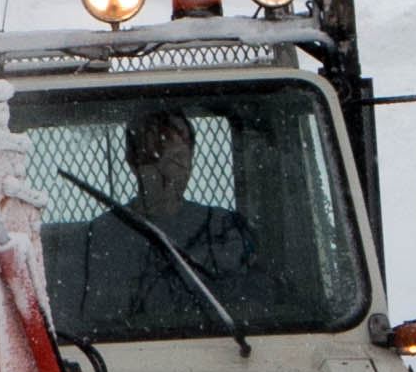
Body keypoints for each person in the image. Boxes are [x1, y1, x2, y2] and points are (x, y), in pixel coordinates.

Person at [61, 101, 265, 337]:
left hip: (218, 344)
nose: (168, 171)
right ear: (132, 161)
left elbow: (258, 304)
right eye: (155, 158)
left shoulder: (224, 228)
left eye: (178, 157)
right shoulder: (101, 236)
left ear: (190, 160)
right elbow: (90, 317)